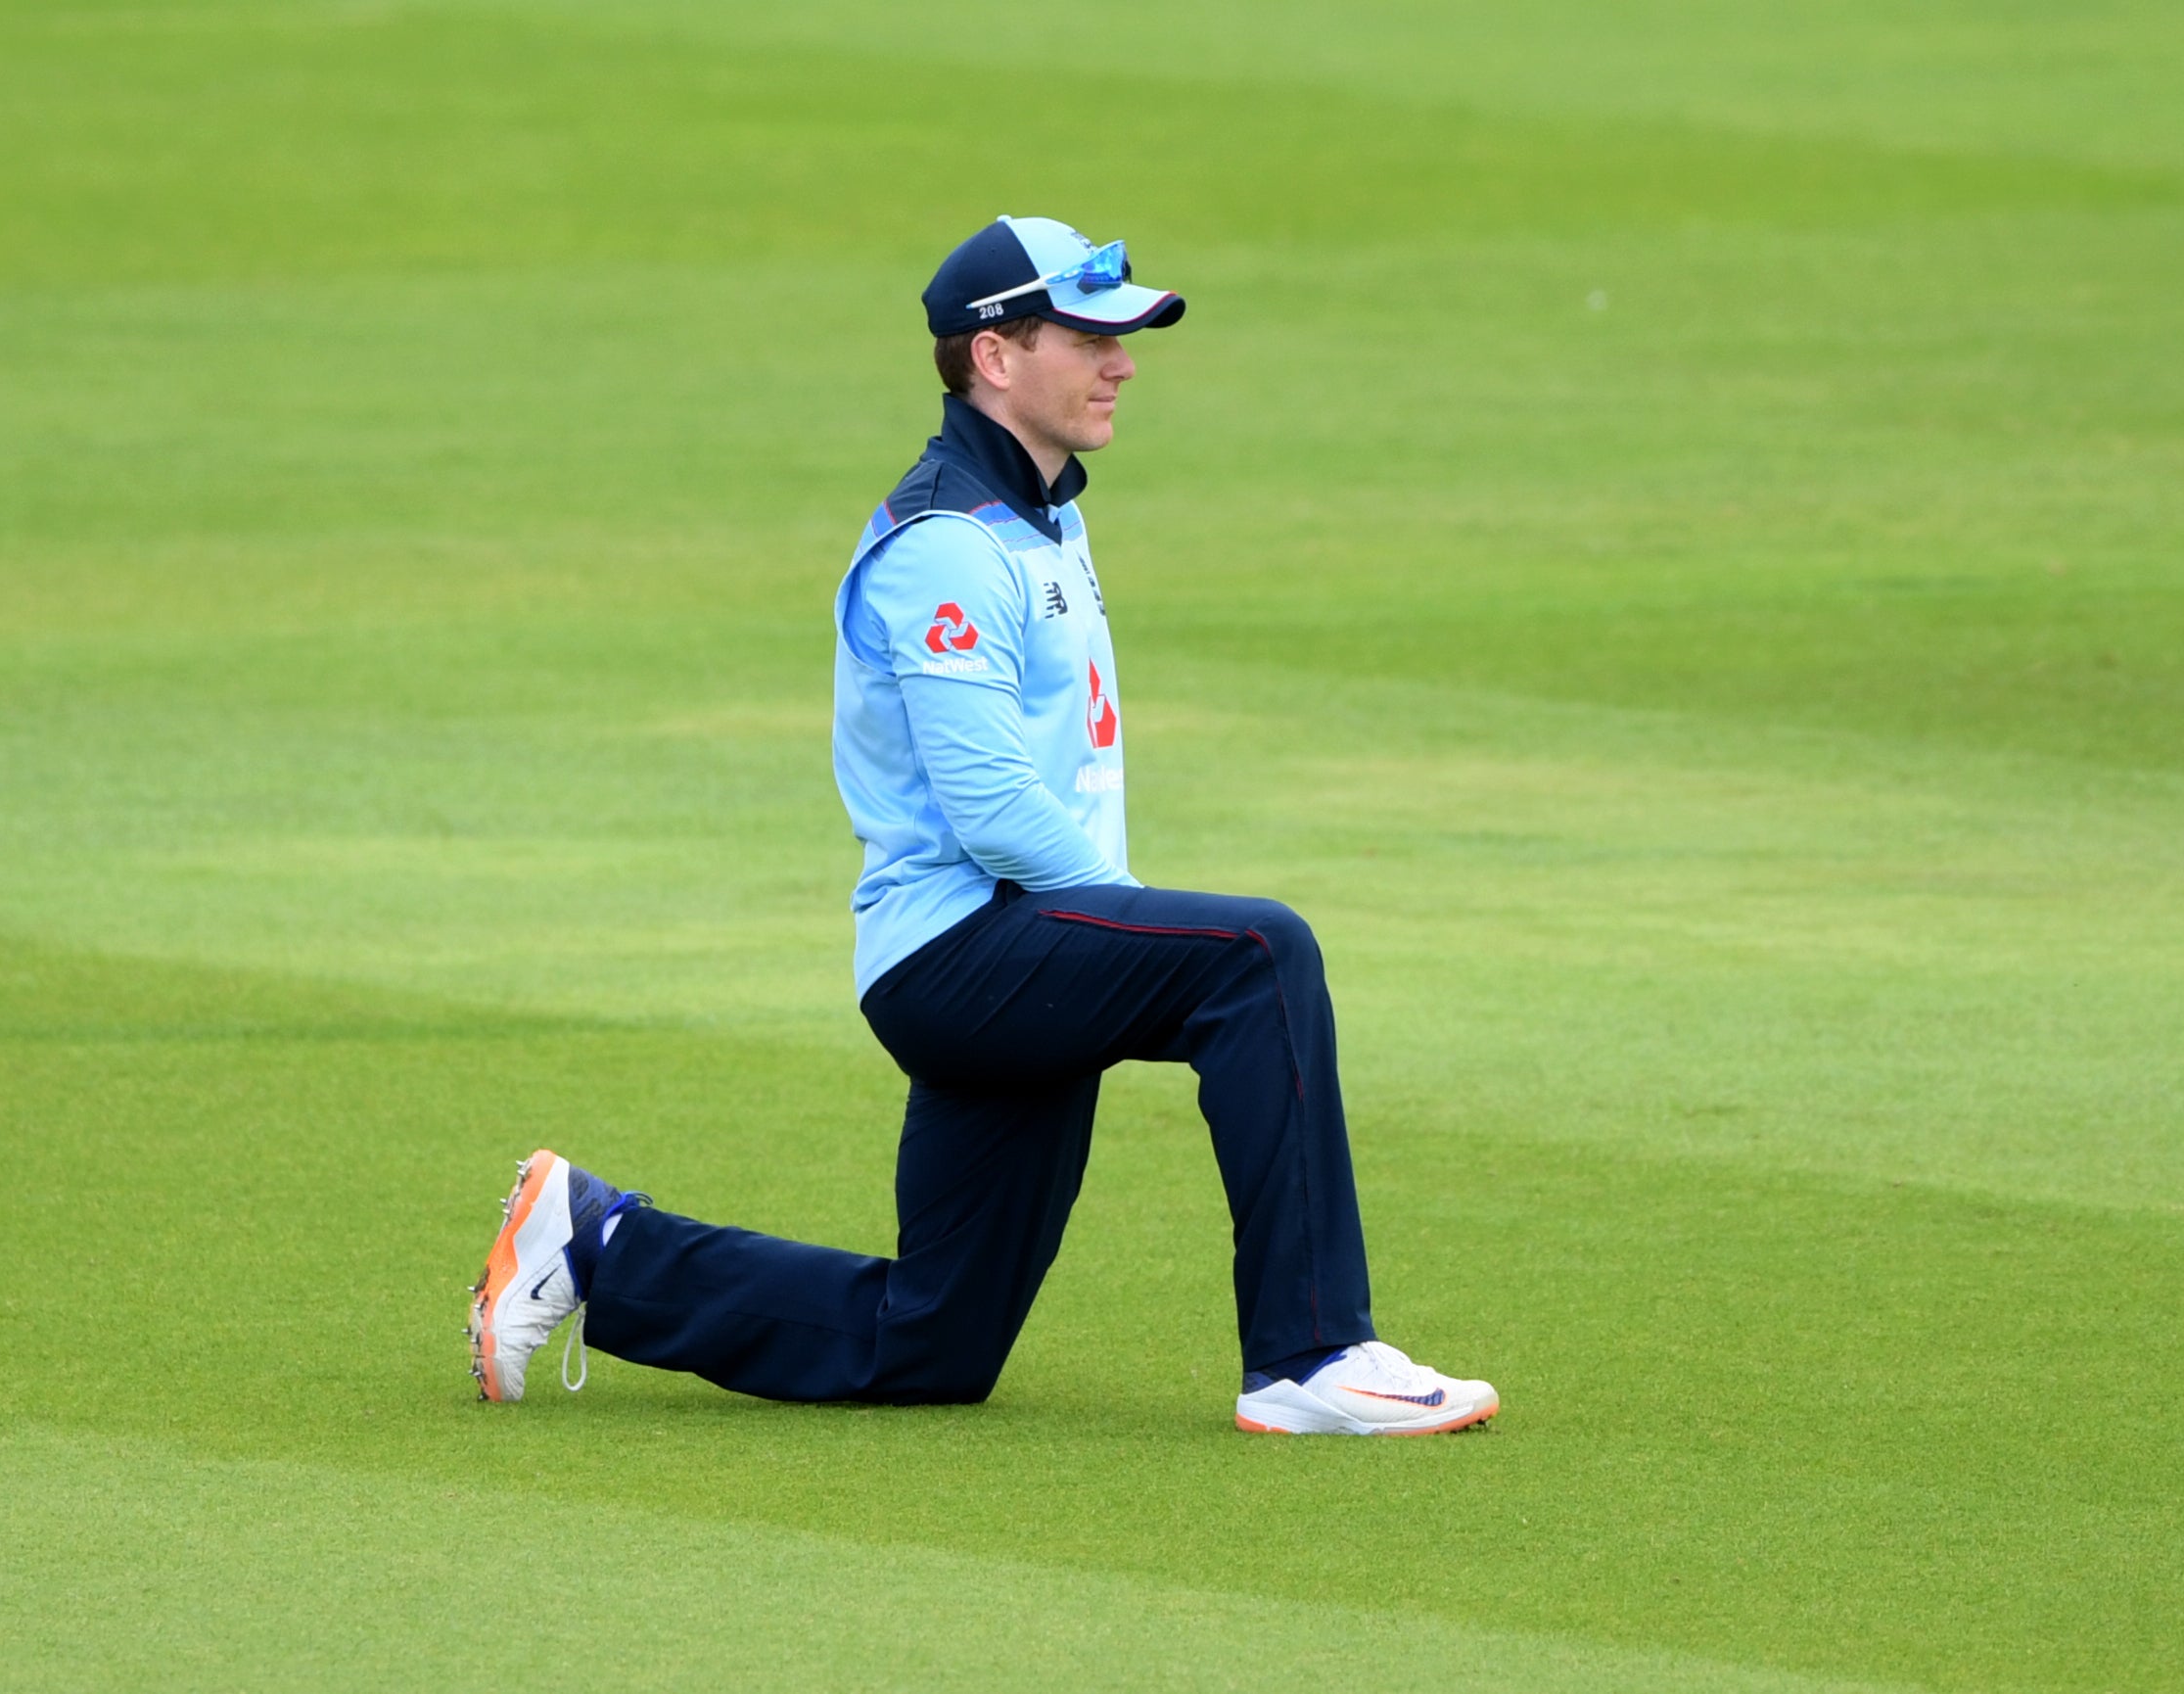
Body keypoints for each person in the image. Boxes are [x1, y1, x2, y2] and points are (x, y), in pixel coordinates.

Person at [468, 216, 1497, 1435]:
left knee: (932, 1340)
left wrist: (1116, 937)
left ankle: (599, 1240)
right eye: (1088, 336)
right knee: (1260, 957)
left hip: (1010, 949)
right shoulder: (948, 543)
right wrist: (1132, 928)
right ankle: (1313, 1355)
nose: (1120, 361)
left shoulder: (1042, 512)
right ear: (994, 357)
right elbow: (996, 812)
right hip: (962, 955)